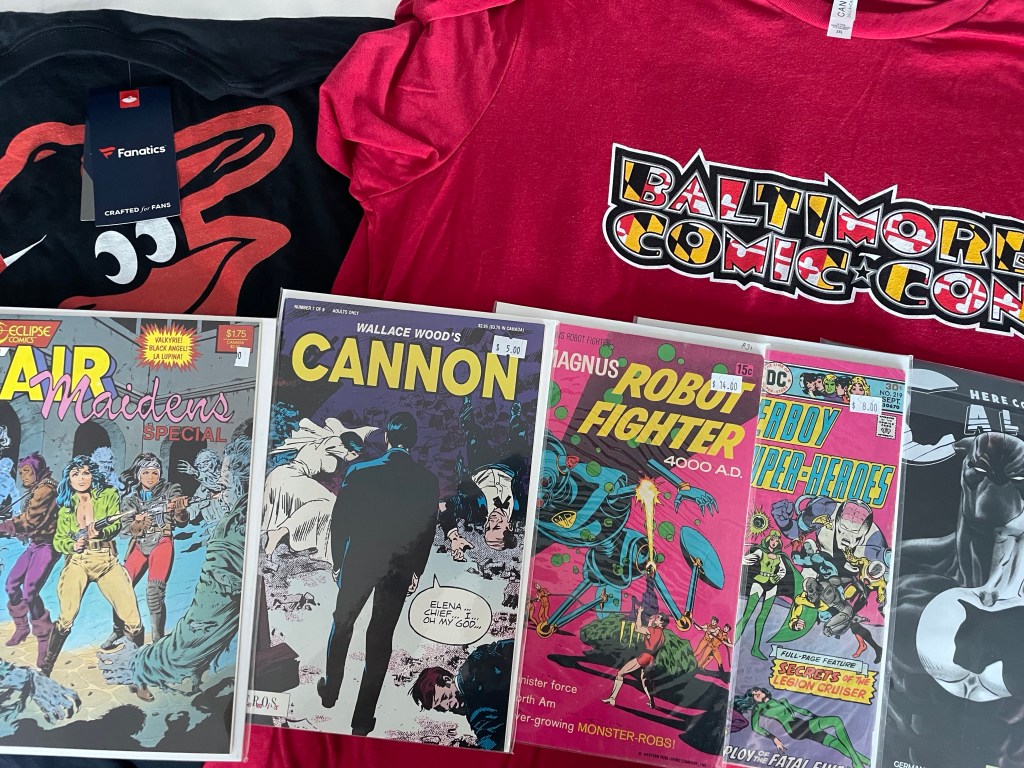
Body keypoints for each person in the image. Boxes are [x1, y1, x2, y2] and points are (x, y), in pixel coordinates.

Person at [317, 412, 440, 737]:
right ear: (414, 441)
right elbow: (427, 531)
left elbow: (340, 521)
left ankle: (330, 693)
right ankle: (362, 720)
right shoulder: (427, 481)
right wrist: (416, 569)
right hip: (399, 567)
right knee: (380, 638)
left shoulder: (360, 471)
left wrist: (338, 561)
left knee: (343, 623)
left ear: (387, 437)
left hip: (358, 561)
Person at [41, 456, 151, 702]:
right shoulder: (66, 505)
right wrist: (73, 544)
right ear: (69, 479)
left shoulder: (108, 495)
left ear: (93, 475)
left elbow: (114, 526)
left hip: (106, 559)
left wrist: (98, 532)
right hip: (78, 561)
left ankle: (138, 678)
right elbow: (59, 540)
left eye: (85, 473)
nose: (81, 478)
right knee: (66, 618)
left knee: (133, 620)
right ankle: (45, 670)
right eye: (76, 474)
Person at [101, 453, 188, 651]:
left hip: (162, 541)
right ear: (139, 474)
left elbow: (182, 520)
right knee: (120, 587)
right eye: (146, 473)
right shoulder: (131, 499)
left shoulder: (170, 489)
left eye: (155, 473)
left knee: (154, 593)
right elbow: (125, 529)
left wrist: (179, 510)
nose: (151, 477)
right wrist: (138, 524)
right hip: (140, 544)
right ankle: (119, 629)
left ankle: (157, 640)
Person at [262, 419, 373, 564]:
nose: (352, 458)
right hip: (292, 477)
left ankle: (272, 548)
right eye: (354, 454)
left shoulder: (325, 442)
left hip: (280, 475)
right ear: (351, 450)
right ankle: (288, 535)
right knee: (331, 504)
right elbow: (332, 458)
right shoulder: (335, 444)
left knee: (322, 504)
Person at [0, 453, 60, 667]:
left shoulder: (45, 489)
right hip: (35, 544)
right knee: (11, 585)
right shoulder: (36, 488)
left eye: (27, 471)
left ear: (37, 470)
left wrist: (4, 527)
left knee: (30, 591)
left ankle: (45, 637)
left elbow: (30, 520)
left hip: (48, 545)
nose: (23, 476)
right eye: (21, 472)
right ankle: (22, 627)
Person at [409, 638, 514, 750]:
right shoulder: (477, 658)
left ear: (446, 680)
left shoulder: (477, 662)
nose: (447, 707)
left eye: (444, 698)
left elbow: (512, 648)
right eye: (440, 708)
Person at [733, 687, 869, 768]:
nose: (756, 694)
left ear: (763, 691)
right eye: (753, 695)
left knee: (836, 744)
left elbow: (799, 710)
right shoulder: (759, 708)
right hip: (794, 729)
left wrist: (813, 715)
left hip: (802, 724)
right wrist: (774, 738)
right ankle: (856, 761)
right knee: (835, 721)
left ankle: (865, 761)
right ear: (753, 700)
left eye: (757, 691)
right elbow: (755, 727)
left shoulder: (782, 700)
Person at [737, 529, 788, 660]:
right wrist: (738, 557)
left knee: (762, 618)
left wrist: (777, 577)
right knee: (747, 614)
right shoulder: (760, 552)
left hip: (772, 586)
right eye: (772, 540)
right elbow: (746, 560)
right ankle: (734, 640)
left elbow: (782, 571)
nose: (774, 542)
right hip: (759, 582)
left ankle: (755, 648)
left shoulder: (779, 557)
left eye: (776, 540)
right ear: (768, 540)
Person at [602, 607, 667, 708]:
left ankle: (612, 698)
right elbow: (650, 638)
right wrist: (650, 623)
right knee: (644, 680)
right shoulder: (662, 636)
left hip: (644, 657)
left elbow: (638, 628)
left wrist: (639, 613)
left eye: (658, 618)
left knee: (620, 673)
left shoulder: (653, 630)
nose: (656, 618)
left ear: (661, 623)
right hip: (651, 660)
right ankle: (651, 701)